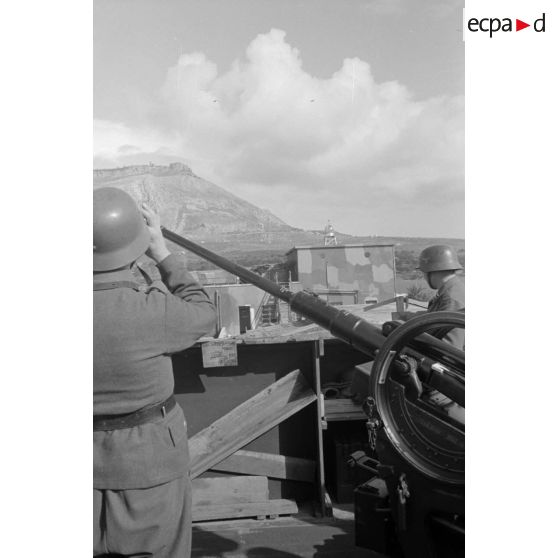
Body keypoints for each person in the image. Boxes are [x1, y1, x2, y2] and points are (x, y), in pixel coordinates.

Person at [93, 187, 216, 558]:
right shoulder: (154, 311)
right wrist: (161, 251)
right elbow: (205, 312)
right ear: (136, 241)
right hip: (149, 464)